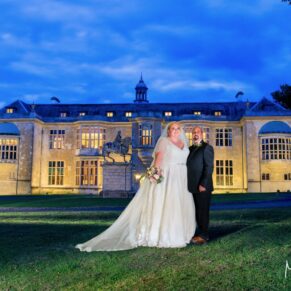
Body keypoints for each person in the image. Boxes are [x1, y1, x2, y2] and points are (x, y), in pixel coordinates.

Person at [76, 122, 196, 251]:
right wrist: (155, 174)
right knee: (168, 204)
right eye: (173, 128)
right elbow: (158, 160)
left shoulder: (184, 144)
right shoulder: (164, 142)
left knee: (179, 204)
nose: (176, 130)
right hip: (169, 176)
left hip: (182, 177)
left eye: (178, 128)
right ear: (168, 131)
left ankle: (181, 232)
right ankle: (164, 235)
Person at [187, 126, 214, 245]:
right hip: (192, 186)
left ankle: (204, 235)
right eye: (193, 132)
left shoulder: (207, 148)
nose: (195, 134)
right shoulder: (189, 149)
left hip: (203, 186)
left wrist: (203, 183)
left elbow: (209, 167)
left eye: (198, 132)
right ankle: (199, 233)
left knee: (203, 211)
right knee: (196, 211)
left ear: (202, 134)